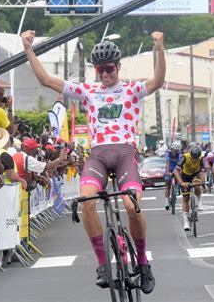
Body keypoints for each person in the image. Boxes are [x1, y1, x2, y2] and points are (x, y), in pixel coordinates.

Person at [21, 29, 165, 294]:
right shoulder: (87, 91)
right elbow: (45, 79)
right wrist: (29, 48)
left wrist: (159, 49)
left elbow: (157, 81)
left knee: (131, 206)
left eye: (109, 69)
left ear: (118, 67)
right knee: (87, 202)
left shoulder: (132, 90)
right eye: (100, 70)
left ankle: (143, 263)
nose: (105, 74)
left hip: (125, 153)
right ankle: (102, 264)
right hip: (98, 154)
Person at [174, 145, 206, 231]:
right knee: (186, 198)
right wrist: (181, 183)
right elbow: (175, 171)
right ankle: (186, 222)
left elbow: (202, 172)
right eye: (192, 158)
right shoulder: (184, 157)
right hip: (185, 176)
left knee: (197, 183)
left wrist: (203, 183)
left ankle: (199, 201)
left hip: (196, 174)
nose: (194, 160)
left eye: (196, 159)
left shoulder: (202, 158)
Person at [164, 141, 182, 210]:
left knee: (178, 180)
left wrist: (180, 172)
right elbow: (167, 163)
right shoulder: (168, 153)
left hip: (177, 168)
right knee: (168, 185)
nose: (174, 152)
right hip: (169, 169)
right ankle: (167, 202)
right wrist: (168, 172)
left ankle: (176, 190)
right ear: (171, 149)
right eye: (173, 150)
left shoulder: (180, 154)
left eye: (176, 151)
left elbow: (181, 163)